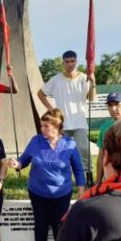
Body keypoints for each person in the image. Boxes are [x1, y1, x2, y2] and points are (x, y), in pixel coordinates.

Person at [8, 109, 86, 241]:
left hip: (62, 194)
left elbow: (79, 170)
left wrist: (81, 192)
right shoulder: (36, 141)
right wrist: (17, 164)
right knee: (41, 226)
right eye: (42, 126)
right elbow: (24, 160)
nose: (42, 129)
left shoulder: (70, 144)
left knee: (60, 228)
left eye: (46, 126)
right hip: (38, 193)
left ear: (57, 127)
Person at [37, 50, 96, 180]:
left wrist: (93, 84)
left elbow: (91, 98)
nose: (70, 64)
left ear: (76, 61)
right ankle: (61, 176)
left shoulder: (83, 78)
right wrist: (50, 108)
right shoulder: (56, 79)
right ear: (63, 62)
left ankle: (88, 177)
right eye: (67, 61)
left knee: (84, 150)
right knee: (61, 152)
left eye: (72, 61)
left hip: (79, 122)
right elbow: (40, 93)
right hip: (62, 123)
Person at [96, 93, 121, 183]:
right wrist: (98, 182)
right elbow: (101, 157)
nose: (113, 109)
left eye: (117, 104)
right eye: (110, 105)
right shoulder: (104, 128)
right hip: (110, 180)